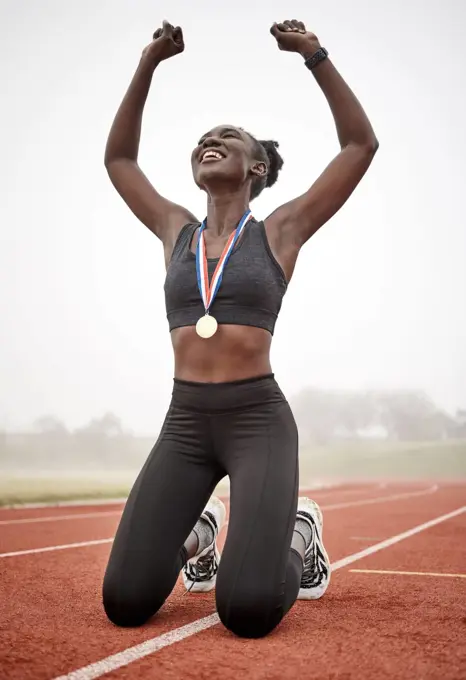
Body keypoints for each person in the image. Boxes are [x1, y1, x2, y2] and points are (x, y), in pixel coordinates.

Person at [102, 18, 378, 639]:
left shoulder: (279, 230)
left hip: (257, 420)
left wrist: (316, 56)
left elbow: (360, 146)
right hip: (185, 422)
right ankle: (198, 534)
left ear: (256, 168)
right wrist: (147, 63)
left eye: (229, 137)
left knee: (248, 610)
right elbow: (119, 158)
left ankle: (298, 540)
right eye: (204, 137)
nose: (212, 139)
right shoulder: (176, 231)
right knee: (124, 601)